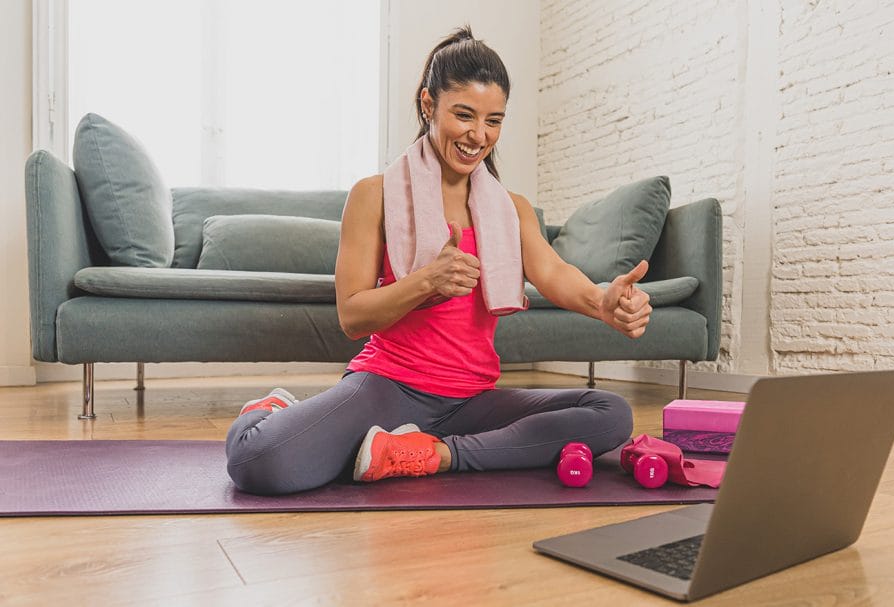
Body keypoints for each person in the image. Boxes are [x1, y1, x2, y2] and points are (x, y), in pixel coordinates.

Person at [225, 26, 652, 495]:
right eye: (464, 115)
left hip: (472, 401)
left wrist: (602, 301)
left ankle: (433, 454)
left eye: (494, 121)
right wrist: (428, 280)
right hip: (388, 386)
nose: (478, 135)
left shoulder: (511, 209)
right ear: (428, 104)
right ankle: (275, 411)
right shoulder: (375, 196)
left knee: (611, 414)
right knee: (258, 460)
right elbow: (352, 315)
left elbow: (552, 273)